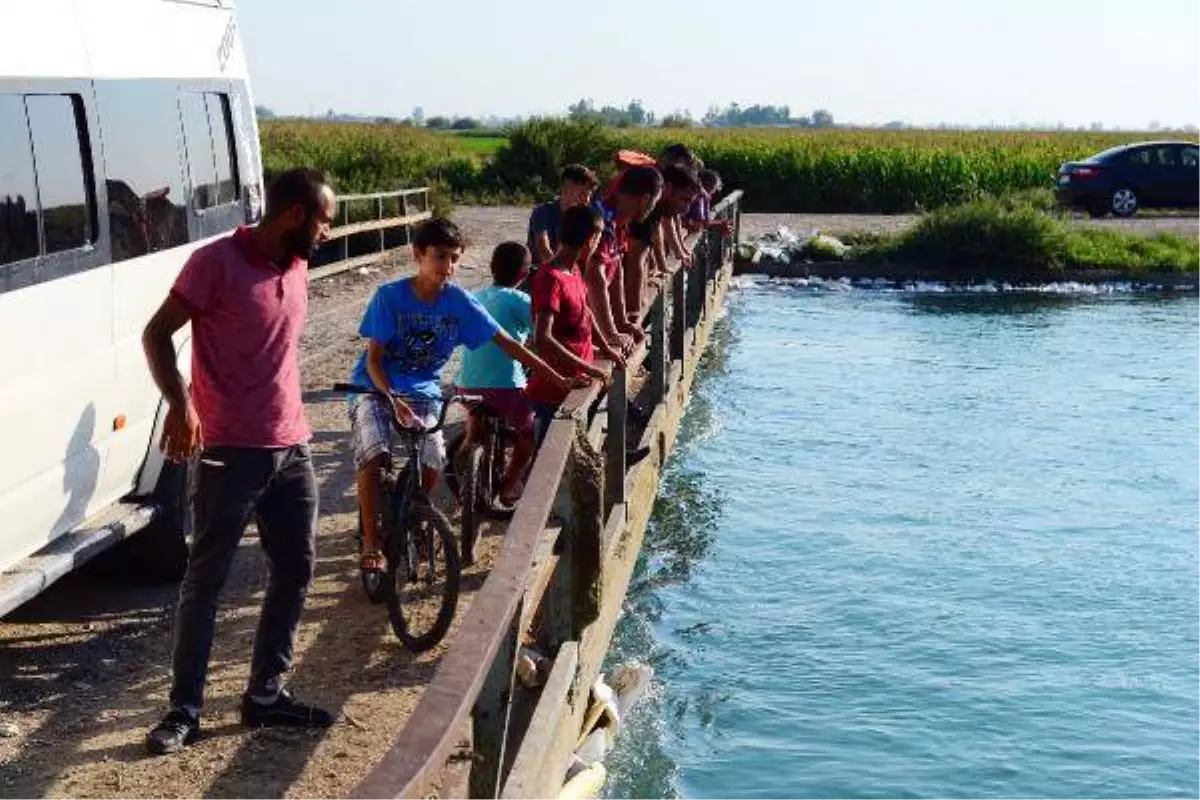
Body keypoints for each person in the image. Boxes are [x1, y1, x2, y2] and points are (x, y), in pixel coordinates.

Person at [141, 168, 338, 755]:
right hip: (230, 450)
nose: (329, 231)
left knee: (296, 569)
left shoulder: (298, 265)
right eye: (324, 219)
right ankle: (184, 712)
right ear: (297, 215)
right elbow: (157, 334)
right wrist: (181, 404)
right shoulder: (215, 263)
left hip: (293, 445)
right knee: (206, 582)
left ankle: (265, 696)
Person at [349, 218, 583, 583]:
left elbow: (505, 340)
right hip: (376, 388)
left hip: (423, 390)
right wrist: (392, 397)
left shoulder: (458, 301)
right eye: (440, 257)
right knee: (375, 453)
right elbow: (374, 361)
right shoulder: (390, 297)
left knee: (432, 462)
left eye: (455, 258)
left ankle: (409, 513)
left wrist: (555, 376)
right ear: (418, 255)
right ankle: (371, 542)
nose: (449, 267)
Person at [454, 241, 539, 507]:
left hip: (465, 385)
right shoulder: (521, 300)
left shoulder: (474, 297)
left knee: (477, 411)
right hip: (506, 388)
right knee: (528, 433)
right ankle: (510, 482)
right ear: (524, 274)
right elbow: (540, 338)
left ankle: (470, 447)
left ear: (492, 268)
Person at [525, 205, 613, 444]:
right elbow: (544, 337)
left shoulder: (573, 269)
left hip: (577, 384)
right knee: (547, 462)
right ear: (590, 239)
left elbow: (586, 312)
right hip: (552, 392)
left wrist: (605, 348)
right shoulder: (550, 277)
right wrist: (590, 367)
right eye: (599, 237)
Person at [592, 165, 663, 345]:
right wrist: (610, 333)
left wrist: (622, 321)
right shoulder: (600, 221)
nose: (652, 210)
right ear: (646, 199)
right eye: (654, 203)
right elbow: (595, 279)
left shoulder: (620, 222)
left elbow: (616, 273)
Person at [527, 164, 599, 266]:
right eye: (582, 194)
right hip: (539, 272)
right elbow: (543, 250)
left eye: (589, 196)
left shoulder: (582, 217)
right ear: (565, 188)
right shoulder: (542, 212)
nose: (586, 200)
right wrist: (563, 274)